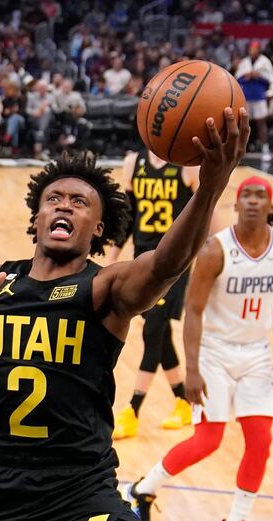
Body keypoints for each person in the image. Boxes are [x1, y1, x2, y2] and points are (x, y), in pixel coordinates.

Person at [0, 108, 250, 521]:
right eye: (54, 200)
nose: (64, 206)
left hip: (80, 486)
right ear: (36, 218)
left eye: (79, 203)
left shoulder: (104, 288)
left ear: (98, 228)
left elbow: (164, 266)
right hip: (0, 486)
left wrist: (208, 190)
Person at [125, 176, 273, 521]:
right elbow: (193, 310)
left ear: (269, 205)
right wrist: (191, 369)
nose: (252, 201)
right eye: (245, 196)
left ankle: (236, 520)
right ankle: (142, 489)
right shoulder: (215, 250)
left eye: (259, 196)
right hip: (214, 352)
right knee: (209, 439)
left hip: (255, 353)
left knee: (261, 440)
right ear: (235, 205)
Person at [108, 149, 202, 439]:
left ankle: (133, 410)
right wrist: (112, 259)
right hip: (143, 260)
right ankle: (183, 401)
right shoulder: (132, 163)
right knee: (160, 336)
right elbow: (129, 214)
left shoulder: (187, 166)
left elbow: (203, 211)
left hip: (176, 262)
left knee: (153, 330)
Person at [235, 41, 273, 161]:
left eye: (254, 49)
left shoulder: (265, 61)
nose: (252, 51)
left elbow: (270, 79)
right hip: (246, 96)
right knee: (242, 124)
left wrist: (259, 76)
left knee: (261, 123)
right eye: (251, 49)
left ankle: (265, 149)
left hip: (259, 96)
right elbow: (238, 78)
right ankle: (239, 148)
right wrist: (247, 76)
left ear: (259, 50)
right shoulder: (245, 62)